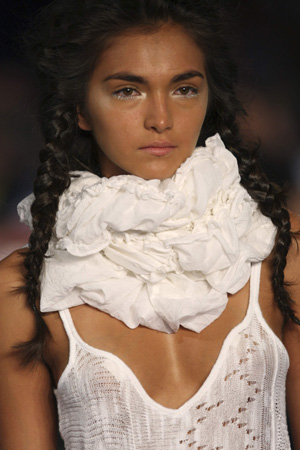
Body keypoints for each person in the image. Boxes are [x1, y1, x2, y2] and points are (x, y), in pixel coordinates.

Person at [0, 1, 299, 449]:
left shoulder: (279, 253)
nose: (161, 119)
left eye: (183, 89)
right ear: (81, 109)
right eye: (127, 91)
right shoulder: (23, 291)